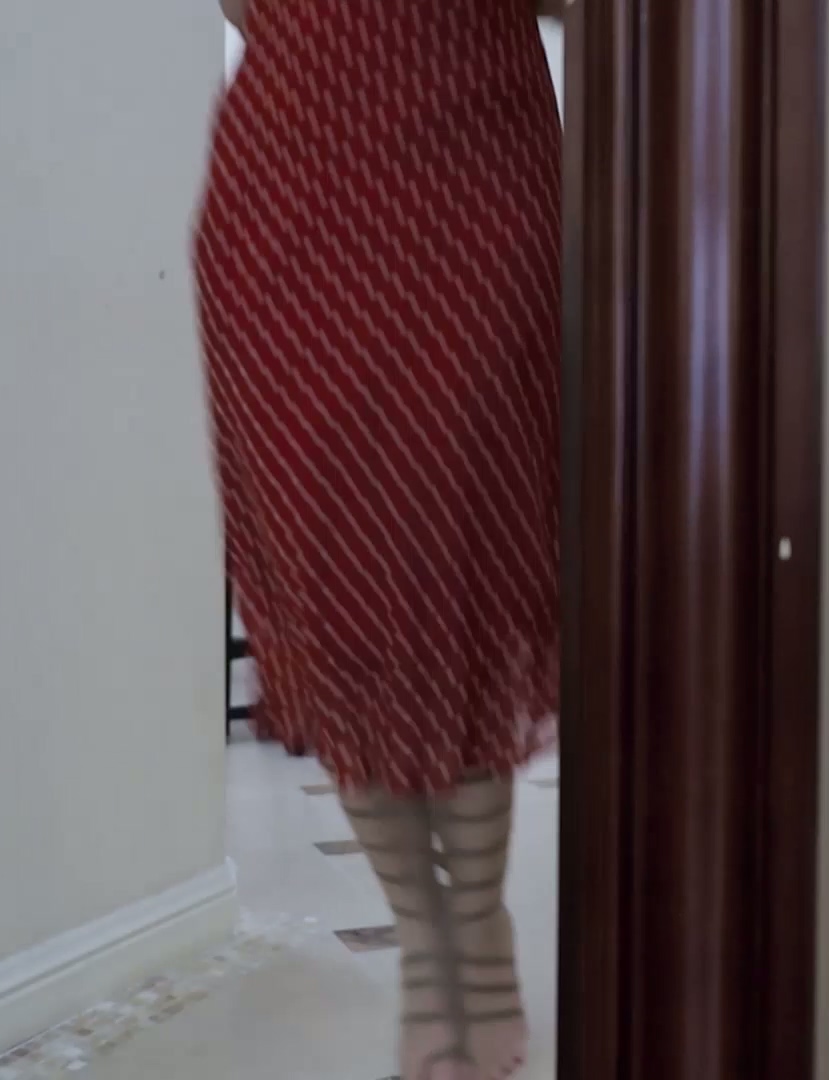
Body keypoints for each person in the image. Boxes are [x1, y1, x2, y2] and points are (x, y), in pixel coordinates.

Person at [191, 2, 566, 1077]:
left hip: (473, 181)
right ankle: (426, 943)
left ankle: (478, 929)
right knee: (334, 588)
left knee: (463, 564)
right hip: (292, 198)